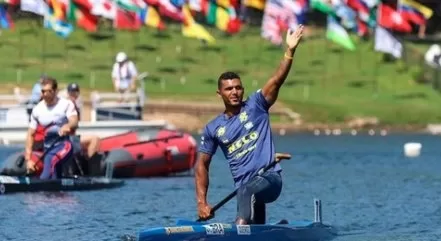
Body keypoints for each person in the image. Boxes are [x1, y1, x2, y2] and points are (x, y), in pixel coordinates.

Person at [195, 26, 304, 225]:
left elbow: (276, 80)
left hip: (270, 180)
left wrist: (290, 51)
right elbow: (202, 165)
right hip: (246, 189)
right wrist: (202, 203)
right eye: (229, 89)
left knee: (246, 191)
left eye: (238, 87)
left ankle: (240, 232)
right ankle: (268, 231)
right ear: (220, 94)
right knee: (247, 195)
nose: (234, 92)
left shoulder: (256, 105)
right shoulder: (213, 129)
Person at [24, 76, 79, 179]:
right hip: (48, 149)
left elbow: (74, 121)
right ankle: (58, 193)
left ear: (55, 91)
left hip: (64, 146)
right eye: (43, 91)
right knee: (54, 176)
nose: (45, 94)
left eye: (48, 91)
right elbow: (30, 135)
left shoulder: (66, 104)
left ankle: (43, 186)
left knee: (49, 165)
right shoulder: (37, 110)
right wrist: (28, 160)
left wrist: (68, 125)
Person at [65, 83, 100, 161]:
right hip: (67, 138)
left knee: (94, 139)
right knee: (95, 139)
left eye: (75, 92)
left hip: (72, 136)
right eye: (71, 92)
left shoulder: (75, 106)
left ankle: (87, 163)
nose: (74, 94)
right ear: (68, 93)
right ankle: (89, 166)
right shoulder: (66, 105)